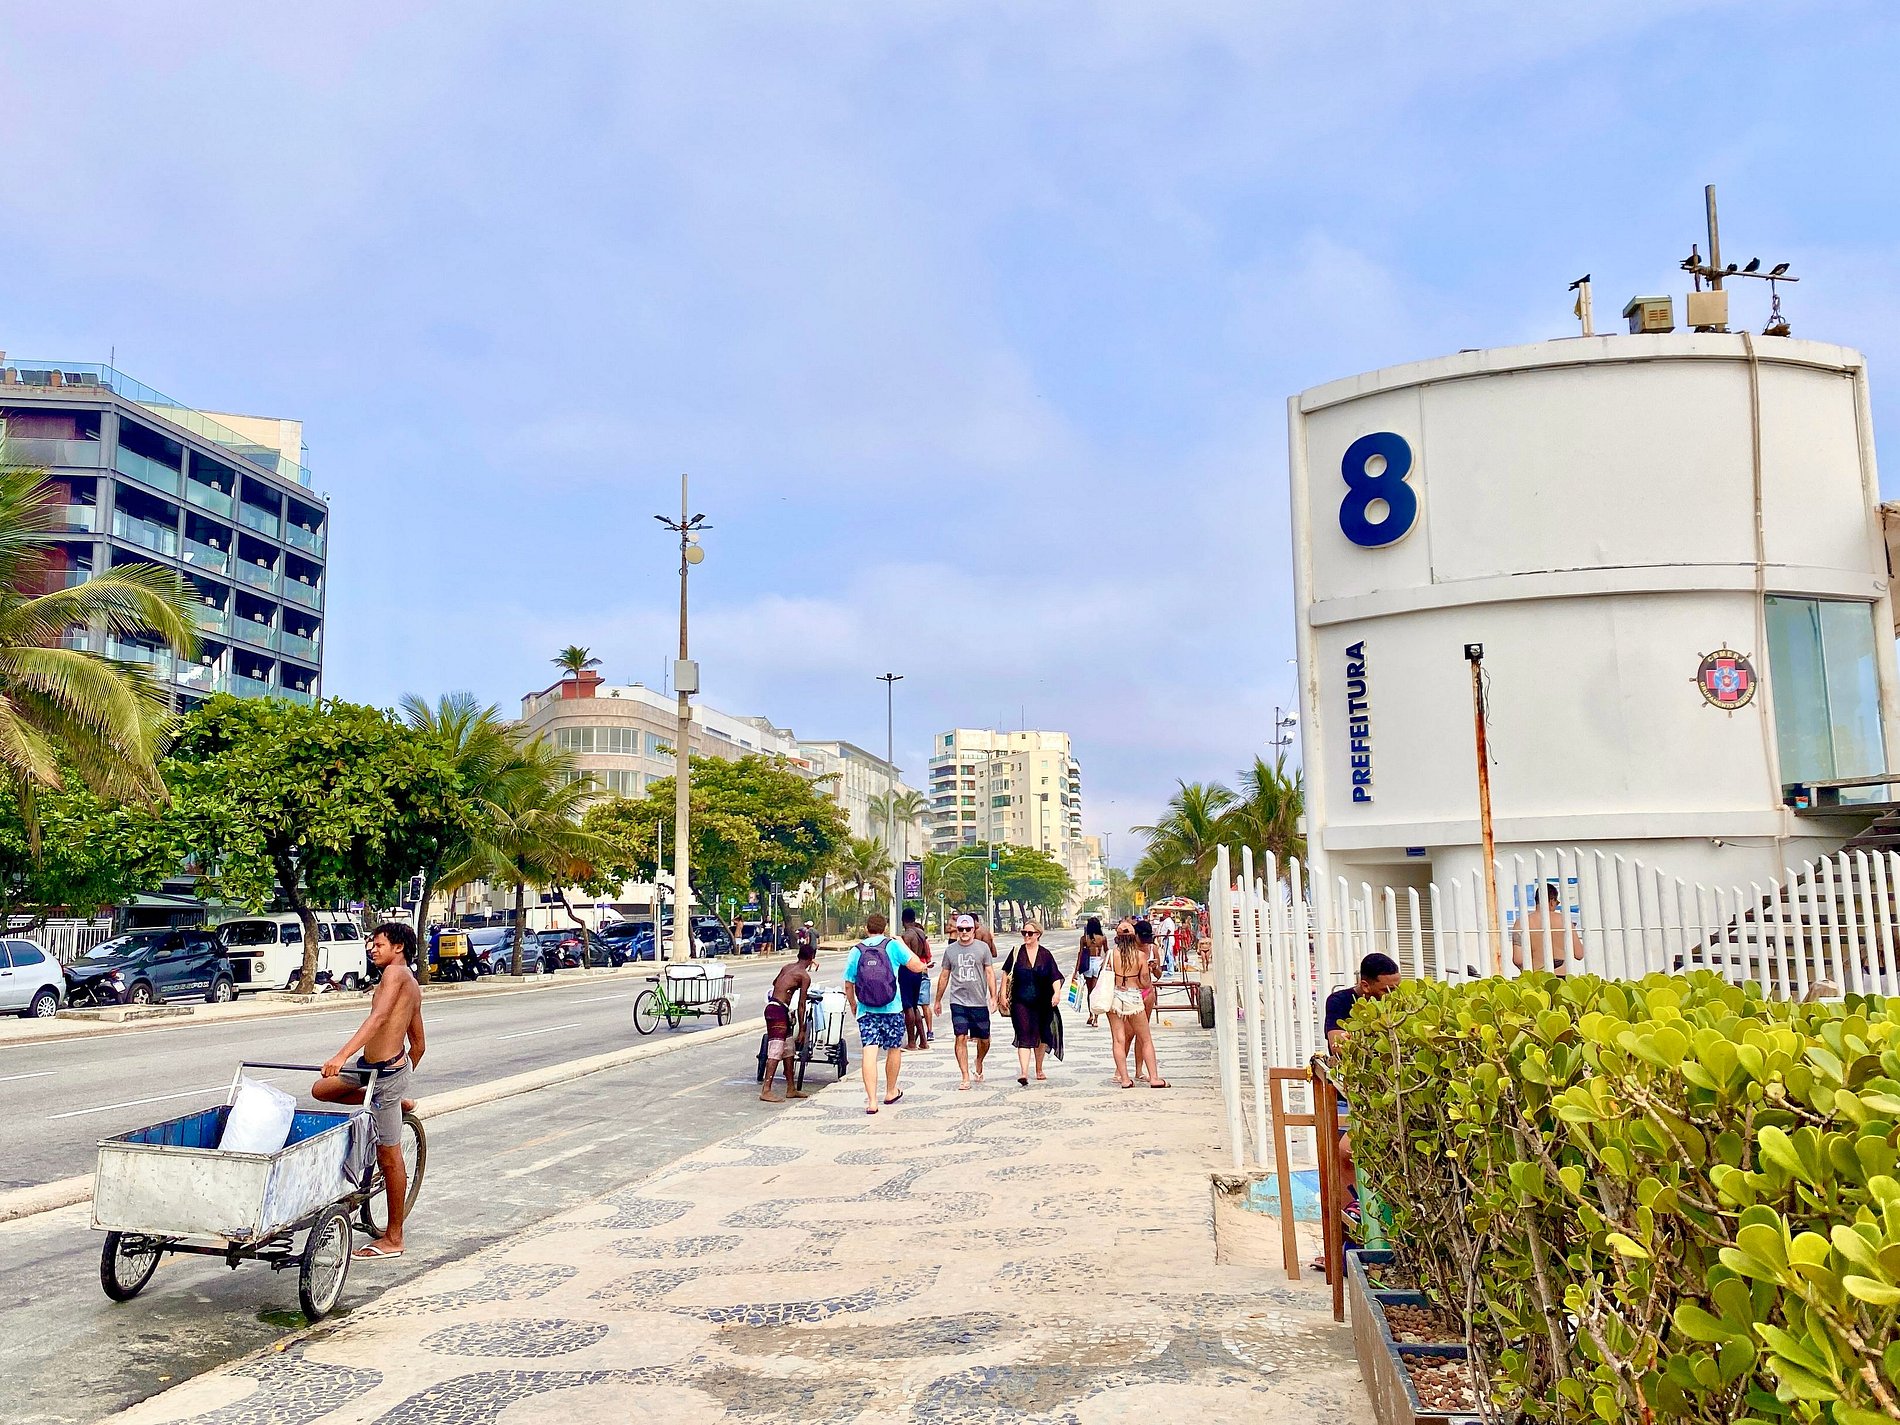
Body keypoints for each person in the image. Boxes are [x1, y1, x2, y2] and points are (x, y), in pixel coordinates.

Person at [312, 922, 425, 1260]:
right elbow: (418, 1046)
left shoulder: (396, 975)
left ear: (398, 947)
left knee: (388, 1156)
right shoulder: (408, 981)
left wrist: (340, 1056)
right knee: (321, 1090)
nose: (372, 949)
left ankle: (394, 1238)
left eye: (378, 944)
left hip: (385, 1076)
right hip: (368, 1069)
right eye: (371, 944)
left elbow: (378, 1019)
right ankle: (392, 1103)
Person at [1322, 952, 1403, 1246]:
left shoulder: (1400, 1005)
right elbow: (1337, 1044)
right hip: (1350, 1094)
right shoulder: (1340, 1002)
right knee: (1345, 1155)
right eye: (1386, 989)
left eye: (1397, 987)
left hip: (1388, 1094)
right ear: (1366, 986)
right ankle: (1349, 1239)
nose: (1393, 995)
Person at [843, 912, 928, 1114]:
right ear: (885, 928)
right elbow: (918, 966)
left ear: (866, 929)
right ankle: (890, 1091)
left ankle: (872, 1102)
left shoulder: (857, 950)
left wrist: (853, 1004)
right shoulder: (893, 946)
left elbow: (848, 983)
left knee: (869, 1051)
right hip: (892, 1008)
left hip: (866, 1010)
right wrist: (903, 944)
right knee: (894, 1049)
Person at [934, 914, 999, 1089]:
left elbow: (990, 973)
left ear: (973, 930)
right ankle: (965, 1076)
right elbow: (944, 975)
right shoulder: (950, 950)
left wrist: (993, 996)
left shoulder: (982, 948)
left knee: (984, 1039)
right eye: (961, 929)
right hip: (958, 1001)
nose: (964, 932)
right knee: (960, 1036)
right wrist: (937, 1000)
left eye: (967, 929)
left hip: (978, 1001)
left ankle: (979, 1061)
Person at [1004, 922, 1064, 1087]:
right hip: (1020, 1001)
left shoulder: (1045, 954)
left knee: (1041, 1034)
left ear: (1038, 934)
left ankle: (1039, 1068)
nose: (1026, 936)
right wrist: (1002, 995)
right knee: (1023, 1033)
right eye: (1024, 932)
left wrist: (1057, 993)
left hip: (1043, 1001)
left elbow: (1055, 976)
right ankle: (1024, 1073)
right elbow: (1006, 973)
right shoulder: (1017, 952)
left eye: (1030, 933)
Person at [1106, 924, 1165, 1088]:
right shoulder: (1140, 956)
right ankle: (1154, 1078)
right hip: (1133, 996)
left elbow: (1105, 976)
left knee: (1118, 1040)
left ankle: (1124, 1079)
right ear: (1134, 937)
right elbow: (1145, 983)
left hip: (1115, 996)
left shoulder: (1111, 954)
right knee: (1145, 1039)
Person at [761, 939, 818, 1102]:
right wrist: (802, 1029)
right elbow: (802, 1004)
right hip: (778, 1011)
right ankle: (766, 1090)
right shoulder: (804, 976)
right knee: (776, 1049)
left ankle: (791, 1088)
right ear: (811, 958)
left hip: (774, 1007)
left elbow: (775, 983)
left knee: (788, 1049)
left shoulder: (787, 967)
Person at [1514, 883, 1584, 975]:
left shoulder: (1521, 922)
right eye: (1557, 903)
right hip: (1562, 976)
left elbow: (1518, 959)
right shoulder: (1564, 920)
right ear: (1552, 901)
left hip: (1536, 976)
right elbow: (1579, 954)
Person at [899, 907, 932, 1050]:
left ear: (903, 920)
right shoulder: (921, 933)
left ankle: (911, 1042)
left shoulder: (907, 936)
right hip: (918, 971)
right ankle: (923, 1041)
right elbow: (924, 952)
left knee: (908, 1007)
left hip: (907, 971)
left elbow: (903, 956)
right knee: (914, 1006)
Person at [1074, 916, 1108, 1028]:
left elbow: (1080, 954)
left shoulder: (1084, 939)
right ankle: (1096, 1018)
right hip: (1098, 963)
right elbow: (1107, 952)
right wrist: (1106, 964)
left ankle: (1091, 1015)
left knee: (1090, 991)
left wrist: (1076, 970)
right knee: (1096, 991)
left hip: (1088, 963)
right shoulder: (1102, 938)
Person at [1156, 910, 1179, 975]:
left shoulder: (1168, 921)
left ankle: (1171, 971)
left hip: (1168, 939)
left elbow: (1169, 929)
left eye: (1164, 915)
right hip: (1166, 939)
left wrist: (1166, 936)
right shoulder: (1166, 921)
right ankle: (1170, 969)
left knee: (1168, 955)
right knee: (1167, 955)